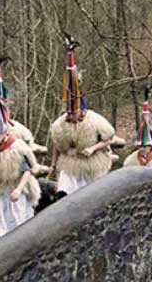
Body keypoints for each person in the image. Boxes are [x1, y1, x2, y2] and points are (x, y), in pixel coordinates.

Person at [0, 68, 46, 240]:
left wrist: (19, 190)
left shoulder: (15, 148)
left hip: (14, 189)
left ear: (4, 133)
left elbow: (27, 170)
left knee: (17, 224)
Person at [49, 37, 123, 196]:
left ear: (80, 109)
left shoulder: (94, 120)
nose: (70, 115)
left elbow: (109, 138)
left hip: (92, 164)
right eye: (68, 112)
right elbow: (56, 144)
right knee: (64, 193)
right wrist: (53, 166)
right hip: (70, 164)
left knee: (92, 196)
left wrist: (93, 148)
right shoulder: (60, 124)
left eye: (73, 112)